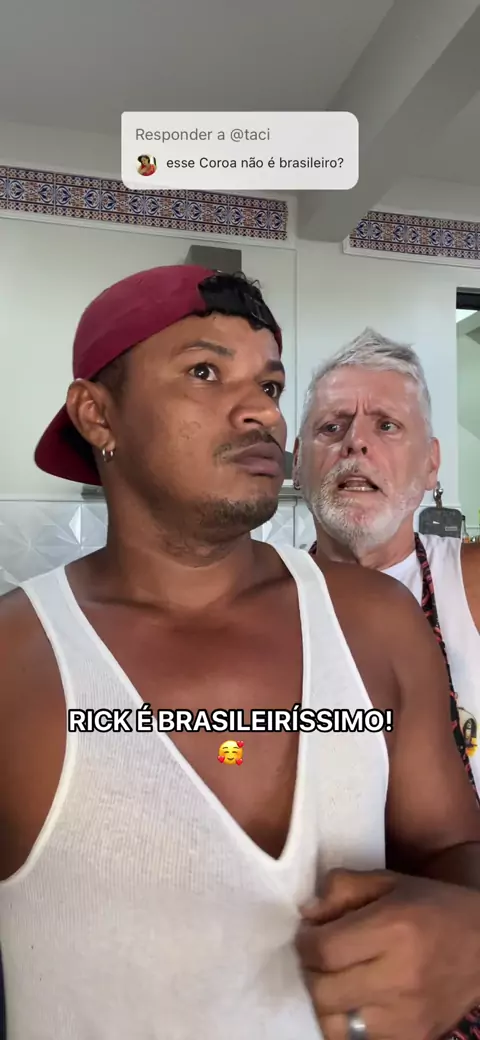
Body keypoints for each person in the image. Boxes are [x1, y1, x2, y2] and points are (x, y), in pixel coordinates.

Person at [1, 269, 480, 1040]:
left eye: (271, 384)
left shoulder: (376, 624)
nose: (262, 411)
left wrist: (468, 928)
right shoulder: (15, 663)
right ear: (97, 413)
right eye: (204, 371)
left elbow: (453, 845)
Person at [293, 328, 480, 794]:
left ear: (431, 463)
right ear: (297, 464)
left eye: (387, 426)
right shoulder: (263, 601)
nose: (355, 442)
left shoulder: (472, 584)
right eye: (331, 427)